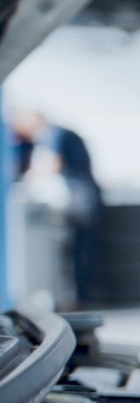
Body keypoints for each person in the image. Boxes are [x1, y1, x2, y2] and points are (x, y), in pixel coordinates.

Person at [10, 109, 102, 305]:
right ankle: (79, 297)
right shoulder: (52, 136)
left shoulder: (55, 134)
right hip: (80, 198)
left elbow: (53, 164)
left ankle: (82, 298)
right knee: (76, 252)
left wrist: (26, 176)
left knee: (80, 252)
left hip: (80, 201)